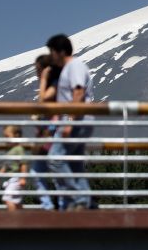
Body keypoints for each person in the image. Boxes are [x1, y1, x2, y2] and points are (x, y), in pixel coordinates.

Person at [46, 34, 95, 211]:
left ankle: (81, 198)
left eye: (51, 52)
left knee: (55, 159)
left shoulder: (74, 66)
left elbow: (78, 92)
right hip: (78, 121)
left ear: (59, 51)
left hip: (76, 121)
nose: (51, 57)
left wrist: (69, 122)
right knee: (75, 166)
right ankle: (88, 206)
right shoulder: (69, 68)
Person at [29, 54, 60, 211]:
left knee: (56, 172)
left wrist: (43, 81)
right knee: (37, 170)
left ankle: (62, 207)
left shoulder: (54, 85)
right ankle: (48, 206)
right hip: (44, 135)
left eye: (38, 70)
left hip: (52, 134)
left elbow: (43, 103)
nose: (36, 72)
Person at [0, 125, 27, 211]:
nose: (5, 139)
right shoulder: (10, 150)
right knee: (16, 202)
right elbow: (5, 166)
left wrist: (23, 178)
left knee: (7, 199)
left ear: (17, 136)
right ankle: (23, 220)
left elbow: (23, 164)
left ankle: (13, 220)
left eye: (7, 136)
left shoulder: (18, 149)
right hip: (11, 179)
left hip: (16, 179)